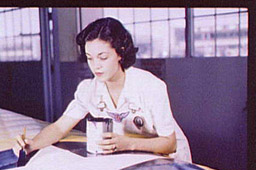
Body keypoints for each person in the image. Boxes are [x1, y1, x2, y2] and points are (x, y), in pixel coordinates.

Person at [15, 17, 192, 162]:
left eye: (103, 57)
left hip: (170, 160)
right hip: (131, 157)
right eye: (90, 58)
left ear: (120, 53)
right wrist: (32, 144)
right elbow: (60, 127)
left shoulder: (150, 86)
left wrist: (127, 144)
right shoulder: (88, 90)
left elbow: (170, 143)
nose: (96, 66)